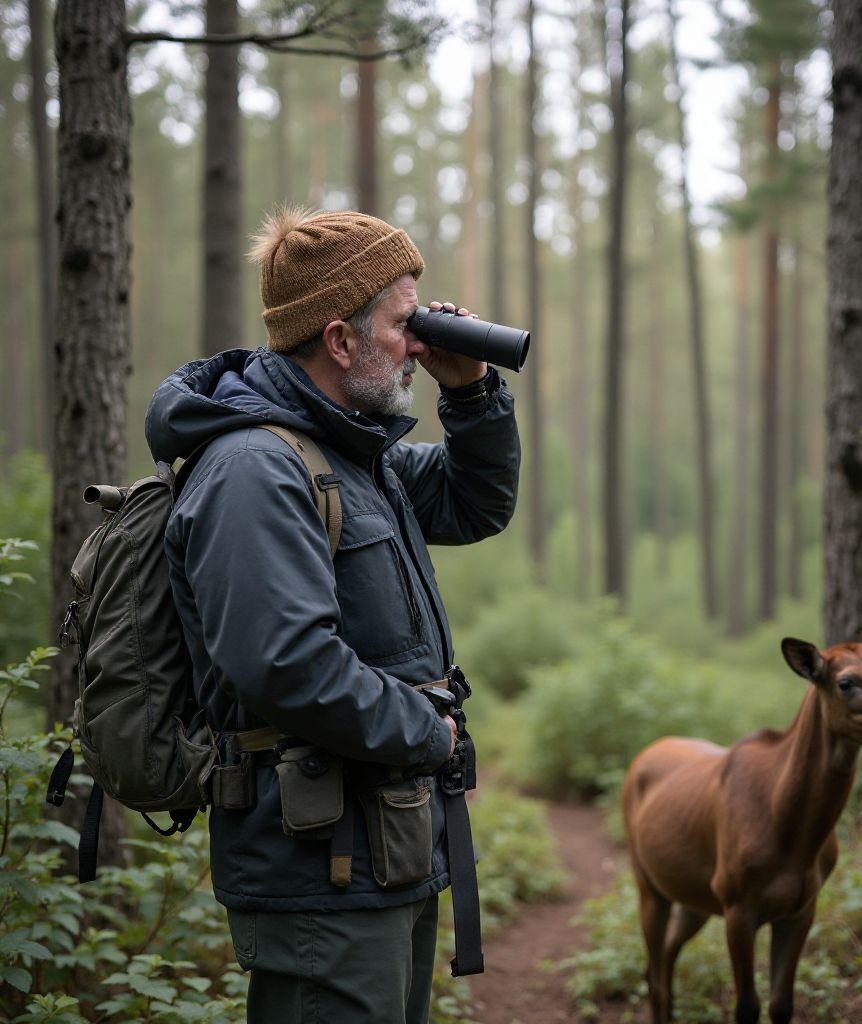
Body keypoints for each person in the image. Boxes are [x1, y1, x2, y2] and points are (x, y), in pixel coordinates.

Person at [145, 208, 521, 1023]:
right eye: (402, 324)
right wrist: (431, 732)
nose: (417, 343)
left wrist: (470, 389)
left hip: (381, 850)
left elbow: (474, 502)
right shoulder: (255, 468)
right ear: (340, 341)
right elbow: (283, 663)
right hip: (319, 868)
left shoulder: (353, 455)